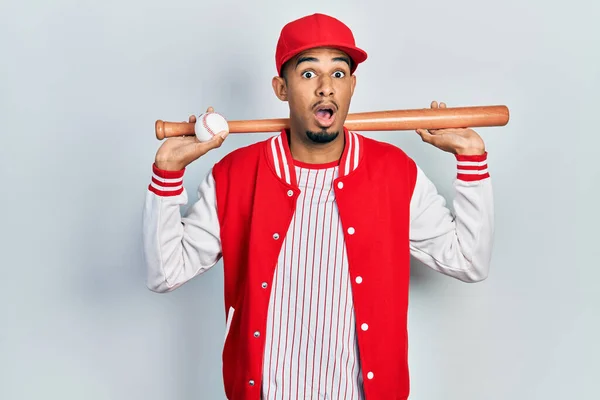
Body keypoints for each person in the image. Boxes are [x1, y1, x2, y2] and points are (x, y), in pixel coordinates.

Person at [142, 12, 494, 400]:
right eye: (308, 74)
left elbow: (468, 261)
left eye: (339, 74)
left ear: (352, 86)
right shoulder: (235, 176)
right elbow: (166, 272)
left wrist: (471, 156)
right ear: (281, 87)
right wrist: (168, 172)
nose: (326, 87)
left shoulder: (395, 173)